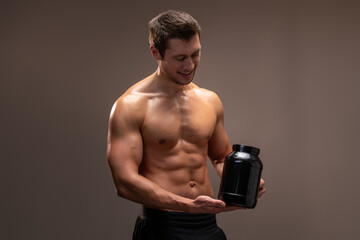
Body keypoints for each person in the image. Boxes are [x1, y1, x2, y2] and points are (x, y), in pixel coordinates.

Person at [106, 10, 266, 240]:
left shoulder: (209, 100)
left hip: (207, 224)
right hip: (162, 227)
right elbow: (124, 181)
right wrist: (187, 205)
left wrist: (244, 182)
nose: (190, 65)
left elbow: (221, 157)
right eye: (181, 58)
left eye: (196, 54)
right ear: (156, 52)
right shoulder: (130, 106)